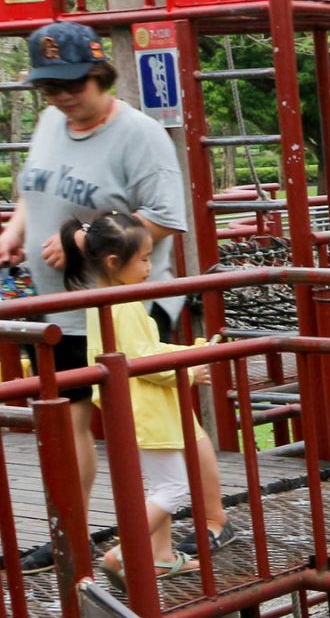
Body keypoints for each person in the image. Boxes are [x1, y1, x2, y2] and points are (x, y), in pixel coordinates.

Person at [0, 21, 195, 553]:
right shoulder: (50, 125)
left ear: (100, 75)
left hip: (124, 307)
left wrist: (81, 241)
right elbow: (34, 192)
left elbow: (166, 219)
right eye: (49, 87)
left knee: (144, 429)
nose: (61, 97)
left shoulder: (140, 134)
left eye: (72, 85)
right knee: (67, 421)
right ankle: (71, 537)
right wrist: (13, 234)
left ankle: (168, 541)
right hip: (59, 307)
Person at [61, 211, 224, 582]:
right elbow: (141, 361)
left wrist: (185, 354)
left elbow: (140, 350)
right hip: (147, 409)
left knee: (159, 484)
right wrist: (186, 370)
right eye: (145, 259)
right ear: (114, 262)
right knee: (174, 488)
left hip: (132, 407)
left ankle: (160, 556)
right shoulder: (126, 303)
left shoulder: (105, 298)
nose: (151, 267)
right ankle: (123, 552)